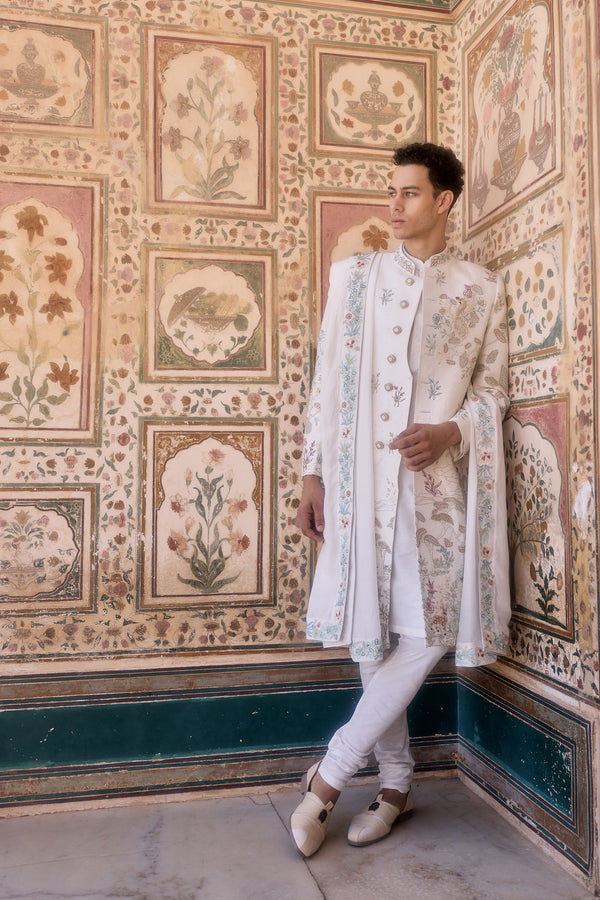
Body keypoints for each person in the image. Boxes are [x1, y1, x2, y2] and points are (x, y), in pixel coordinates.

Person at [291, 142, 511, 858]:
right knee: (371, 629)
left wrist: (452, 431)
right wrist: (312, 472)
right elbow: (326, 380)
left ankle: (327, 777)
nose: (393, 205)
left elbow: (493, 394)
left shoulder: (481, 289)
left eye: (410, 192)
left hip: (434, 491)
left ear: (444, 201)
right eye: (391, 191)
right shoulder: (354, 278)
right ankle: (395, 785)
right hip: (360, 483)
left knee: (430, 628)